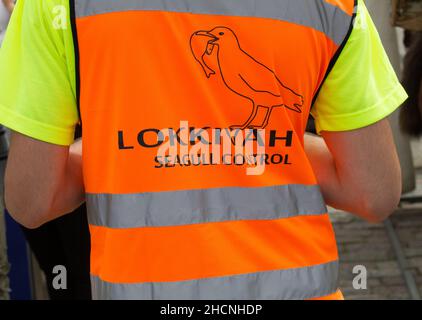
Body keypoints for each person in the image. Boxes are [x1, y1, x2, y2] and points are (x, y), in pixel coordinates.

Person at [0, 0, 407, 300]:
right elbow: (373, 191)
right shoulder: (336, 4)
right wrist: (245, 143)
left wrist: (141, 145)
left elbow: (34, 198)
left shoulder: (54, 5)